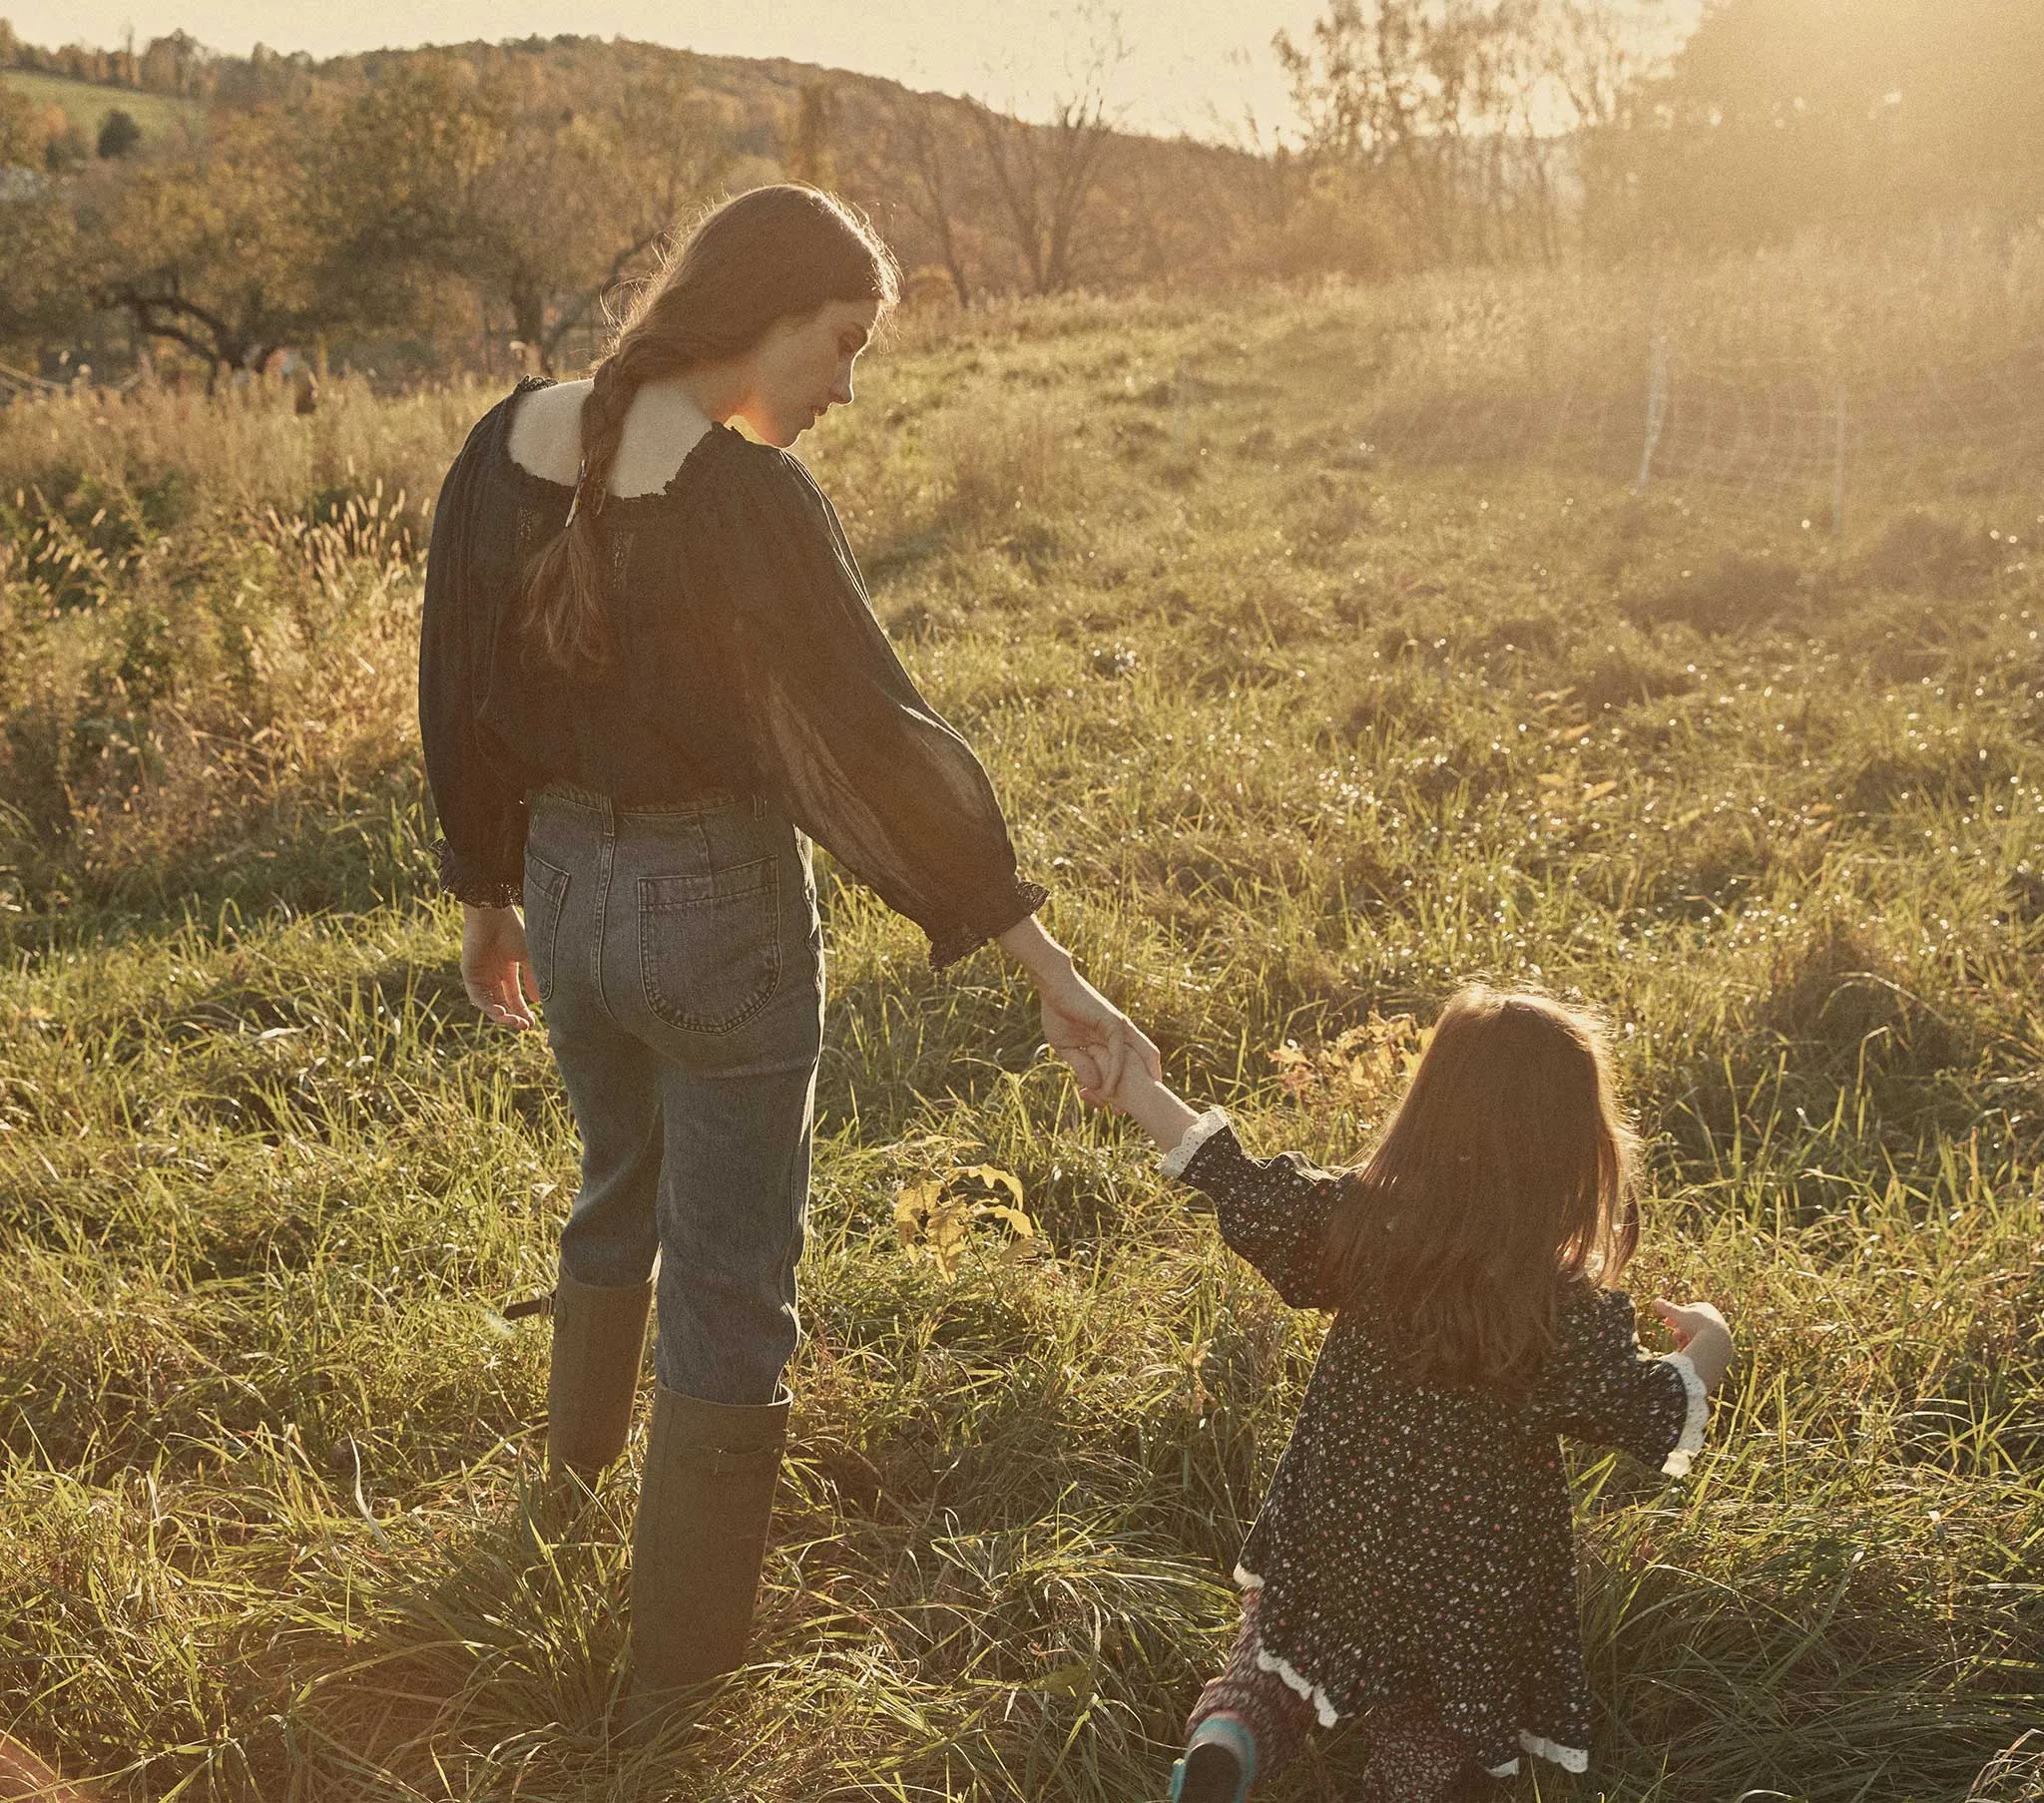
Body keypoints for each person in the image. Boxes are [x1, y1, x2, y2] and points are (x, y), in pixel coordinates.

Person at [418, 185, 1156, 1711]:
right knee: (735, 1284)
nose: (847, 384)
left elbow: (460, 672)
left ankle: (564, 1513)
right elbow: (877, 750)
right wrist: (1058, 975)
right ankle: (674, 1686)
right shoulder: (749, 502)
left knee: (615, 1191)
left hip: (564, 895)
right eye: (842, 343)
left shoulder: (507, 443)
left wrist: (492, 888)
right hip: (715, 921)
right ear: (763, 311)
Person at [1091, 985, 1734, 1801]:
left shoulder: (1361, 1223)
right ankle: (1416, 1781)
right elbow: (1652, 1412)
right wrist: (1712, 1341)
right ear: (1577, 1150)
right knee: (1434, 1717)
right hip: (1469, 1578)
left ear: (1427, 1112)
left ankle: (1230, 1741)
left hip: (1334, 1524)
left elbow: (1234, 1178)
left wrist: (1133, 1084)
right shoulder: (1558, 1308)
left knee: (1269, 1665)